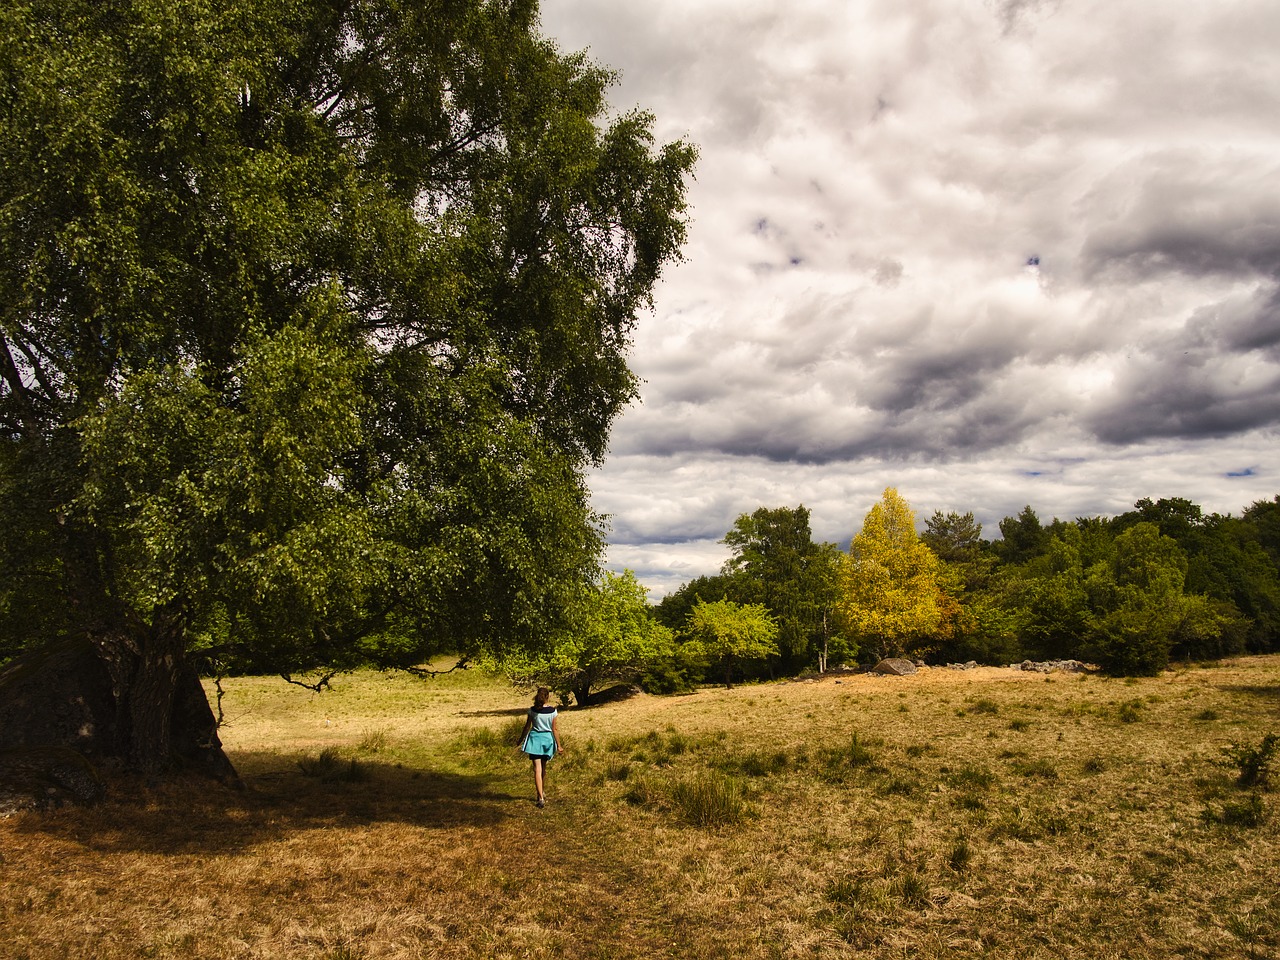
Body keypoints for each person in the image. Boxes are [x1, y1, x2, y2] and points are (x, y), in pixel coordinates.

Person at [517, 686, 562, 808]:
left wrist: (520, 740)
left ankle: (540, 797)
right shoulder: (553, 711)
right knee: (543, 768)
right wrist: (559, 745)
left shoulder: (532, 710)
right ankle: (541, 791)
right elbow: (555, 729)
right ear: (547, 697)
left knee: (537, 769)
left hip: (534, 740)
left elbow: (527, 727)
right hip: (547, 741)